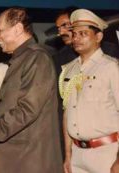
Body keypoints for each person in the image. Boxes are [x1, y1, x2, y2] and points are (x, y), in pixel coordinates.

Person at [0, 7, 63, 173]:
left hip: (29, 160)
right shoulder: (21, 60)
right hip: (17, 158)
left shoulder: (37, 59)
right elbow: (4, 107)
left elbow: (27, 110)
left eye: (0, 30)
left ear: (17, 29)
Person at [59, 9, 119, 173]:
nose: (76, 38)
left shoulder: (111, 68)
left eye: (83, 33)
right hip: (78, 155)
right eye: (75, 34)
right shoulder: (69, 70)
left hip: (107, 153)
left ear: (98, 37)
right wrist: (68, 155)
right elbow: (67, 114)